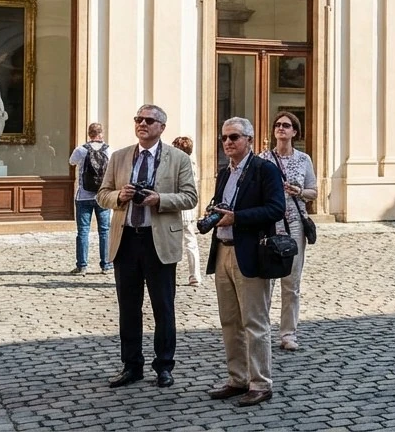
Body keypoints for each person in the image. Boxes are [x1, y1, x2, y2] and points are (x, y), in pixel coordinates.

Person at [96, 104, 197, 390]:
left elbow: (190, 197)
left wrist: (159, 200)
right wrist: (120, 195)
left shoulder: (178, 158)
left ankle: (164, 366)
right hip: (126, 239)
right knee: (128, 308)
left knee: (163, 307)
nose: (142, 124)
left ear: (161, 127)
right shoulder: (118, 157)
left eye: (149, 120)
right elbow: (102, 195)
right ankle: (131, 366)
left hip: (159, 241)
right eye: (138, 119)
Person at [206, 117, 286, 407]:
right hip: (224, 250)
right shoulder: (223, 173)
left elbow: (276, 209)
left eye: (234, 137)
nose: (228, 142)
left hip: (251, 253)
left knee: (255, 322)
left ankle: (260, 383)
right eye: (224, 137)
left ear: (249, 140)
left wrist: (238, 218)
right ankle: (237, 379)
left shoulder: (265, 170)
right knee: (229, 321)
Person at [263, 111, 317, 351]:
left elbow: (313, 192)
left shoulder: (304, 159)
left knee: (291, 281)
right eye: (277, 125)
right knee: (266, 281)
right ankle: (261, 330)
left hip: (295, 224)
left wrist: (298, 192)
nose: (281, 129)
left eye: (286, 125)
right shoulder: (263, 159)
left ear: (295, 131)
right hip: (269, 225)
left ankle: (288, 334)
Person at [69, 123, 113, 275]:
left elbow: (72, 162)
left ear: (89, 134)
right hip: (102, 196)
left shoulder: (81, 150)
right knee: (105, 231)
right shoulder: (108, 149)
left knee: (83, 231)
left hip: (83, 196)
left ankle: (82, 266)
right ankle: (106, 265)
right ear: (101, 133)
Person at [171, 136, 202, 286]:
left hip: (177, 207)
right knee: (191, 242)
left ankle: (170, 275)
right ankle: (195, 275)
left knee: (172, 243)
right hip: (188, 209)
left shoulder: (178, 164)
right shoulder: (193, 164)